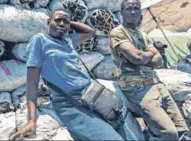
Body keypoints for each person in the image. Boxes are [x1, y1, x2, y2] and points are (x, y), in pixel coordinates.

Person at [10, 8, 142, 141]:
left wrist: (68, 23)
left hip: (94, 94)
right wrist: (31, 120)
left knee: (129, 132)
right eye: (57, 20)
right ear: (48, 21)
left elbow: (89, 32)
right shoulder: (39, 41)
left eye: (65, 22)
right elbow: (32, 84)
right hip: (70, 103)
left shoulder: (68, 40)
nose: (61, 23)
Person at [109, 0, 189, 141]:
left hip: (156, 84)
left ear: (140, 12)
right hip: (138, 88)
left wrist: (143, 56)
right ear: (121, 12)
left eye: (136, 8)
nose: (133, 12)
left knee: (181, 129)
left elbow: (158, 61)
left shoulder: (144, 35)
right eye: (128, 8)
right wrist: (147, 55)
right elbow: (136, 57)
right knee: (168, 132)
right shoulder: (118, 32)